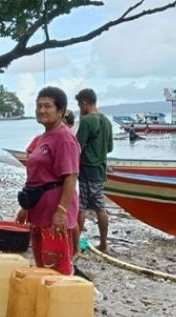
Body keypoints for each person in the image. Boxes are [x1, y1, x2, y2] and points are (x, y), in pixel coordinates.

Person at [16, 86, 80, 275]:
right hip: (39, 207)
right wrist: (26, 207)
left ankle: (61, 301)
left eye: (48, 106)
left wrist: (61, 211)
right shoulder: (43, 137)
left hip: (55, 208)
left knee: (57, 264)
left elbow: (71, 176)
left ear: (60, 111)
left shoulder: (64, 138)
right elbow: (36, 176)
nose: (42, 110)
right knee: (42, 261)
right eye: (39, 106)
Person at [75, 88, 113, 253]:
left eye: (79, 105)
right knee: (100, 207)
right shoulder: (106, 121)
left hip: (86, 169)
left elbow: (77, 146)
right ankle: (104, 243)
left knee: (82, 206)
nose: (79, 109)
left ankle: (75, 243)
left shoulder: (87, 120)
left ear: (84, 102)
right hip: (100, 170)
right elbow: (109, 147)